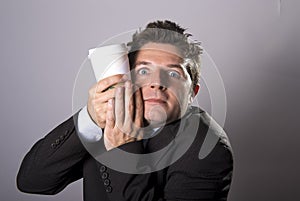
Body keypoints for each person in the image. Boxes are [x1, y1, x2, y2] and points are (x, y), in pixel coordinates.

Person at [17, 20, 233, 201]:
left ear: (193, 92)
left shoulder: (207, 147)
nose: (157, 83)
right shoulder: (112, 114)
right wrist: (90, 120)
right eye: (144, 70)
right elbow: (32, 182)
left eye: (174, 74)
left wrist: (122, 147)